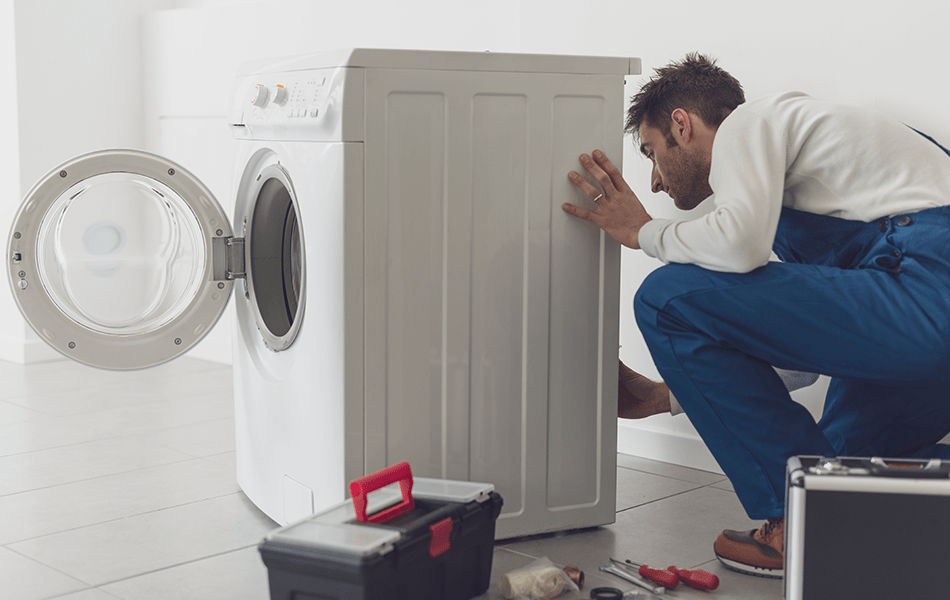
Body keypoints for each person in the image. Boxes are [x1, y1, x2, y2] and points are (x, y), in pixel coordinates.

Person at [562, 53, 950, 579]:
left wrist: (642, 233)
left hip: (928, 288)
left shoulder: (752, 121)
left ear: (683, 123)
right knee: (825, 472)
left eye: (653, 153)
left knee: (668, 298)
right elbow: (803, 360)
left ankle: (798, 526)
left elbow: (739, 246)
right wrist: (665, 397)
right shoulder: (810, 188)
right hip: (919, 323)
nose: (654, 182)